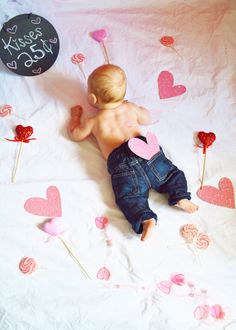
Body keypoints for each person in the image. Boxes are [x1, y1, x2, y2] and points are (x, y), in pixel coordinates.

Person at [68, 64, 198, 241]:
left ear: (92, 97)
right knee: (171, 175)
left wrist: (75, 117)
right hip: (147, 152)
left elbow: (75, 135)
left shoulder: (94, 121)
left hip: (121, 164)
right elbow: (148, 118)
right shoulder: (129, 108)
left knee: (129, 196)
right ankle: (180, 196)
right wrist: (135, 107)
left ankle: (146, 218)